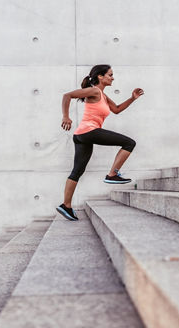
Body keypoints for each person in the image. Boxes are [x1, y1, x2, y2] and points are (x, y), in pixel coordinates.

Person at [56, 64, 144, 221]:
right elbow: (67, 95)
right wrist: (65, 116)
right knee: (129, 143)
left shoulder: (102, 95)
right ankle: (112, 174)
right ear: (100, 77)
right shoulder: (94, 90)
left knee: (77, 171)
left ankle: (66, 206)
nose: (113, 77)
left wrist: (132, 98)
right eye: (110, 75)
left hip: (82, 135)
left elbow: (116, 109)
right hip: (89, 132)